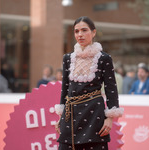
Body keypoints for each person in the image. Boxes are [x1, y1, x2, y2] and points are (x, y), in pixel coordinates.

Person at [54, 16, 123, 150]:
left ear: (93, 32)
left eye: (84, 30)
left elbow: (111, 90)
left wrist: (109, 118)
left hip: (94, 114)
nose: (80, 35)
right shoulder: (68, 58)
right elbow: (65, 88)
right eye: (76, 31)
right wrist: (61, 116)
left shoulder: (104, 58)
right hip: (70, 114)